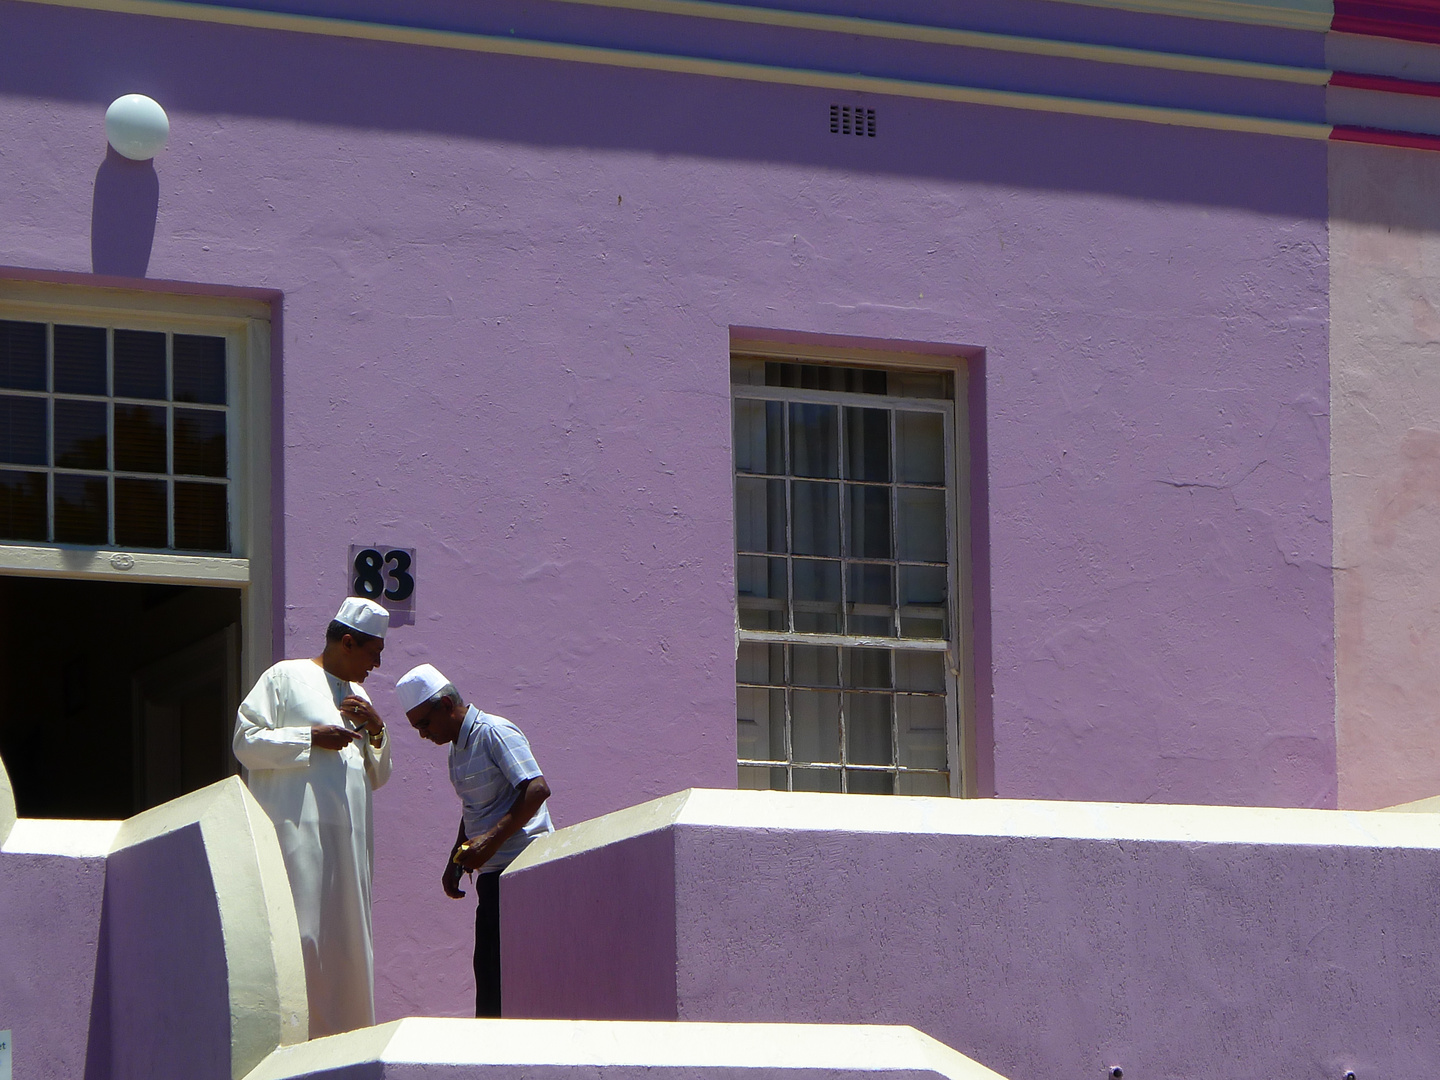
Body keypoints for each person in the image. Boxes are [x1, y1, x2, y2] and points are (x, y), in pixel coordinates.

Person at [233, 597, 393, 1038]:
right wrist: (309, 737)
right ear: (347, 642)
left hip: (351, 847)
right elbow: (246, 742)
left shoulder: (360, 695)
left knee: (349, 949)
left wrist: (377, 729)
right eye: (373, 654)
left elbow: (378, 774)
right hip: (298, 839)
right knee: (303, 937)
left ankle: (348, 1050)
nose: (376, 666)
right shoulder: (284, 677)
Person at [394, 663, 553, 1017]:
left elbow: (536, 789)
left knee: (519, 984)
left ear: (447, 705)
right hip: (493, 878)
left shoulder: (494, 732)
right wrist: (456, 860)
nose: (423, 734)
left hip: (525, 872)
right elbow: (475, 813)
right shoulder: (457, 751)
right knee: (490, 984)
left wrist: (491, 842)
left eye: (424, 724)